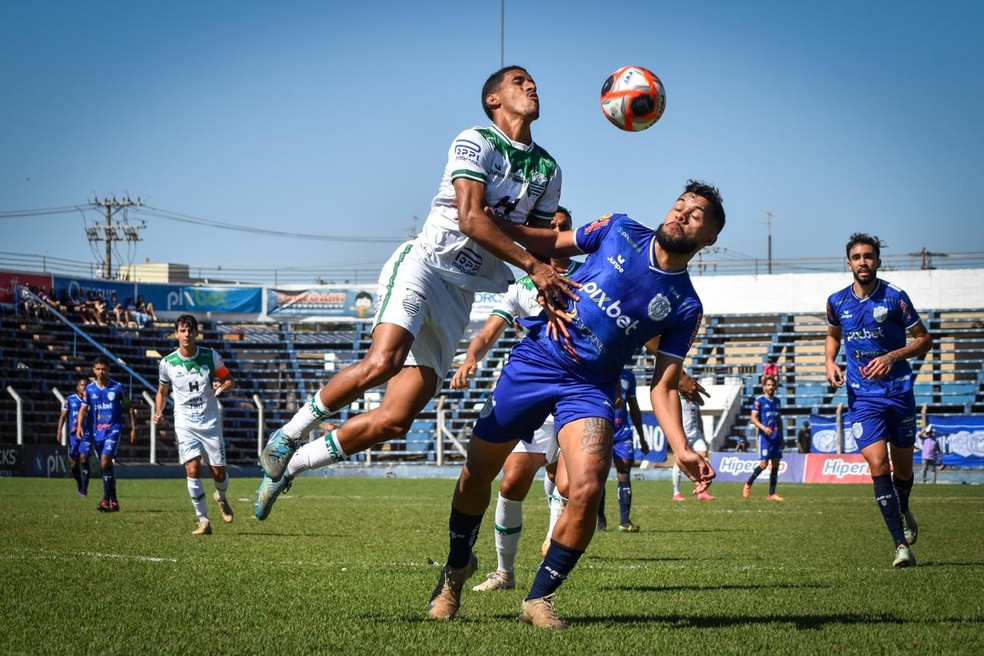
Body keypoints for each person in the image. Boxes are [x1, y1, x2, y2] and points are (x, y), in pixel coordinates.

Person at [255, 65, 576, 519]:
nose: (532, 85)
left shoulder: (549, 169)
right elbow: (470, 218)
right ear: (494, 100)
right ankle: (288, 434)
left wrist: (554, 267)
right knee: (383, 361)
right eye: (518, 81)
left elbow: (538, 239)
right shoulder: (475, 141)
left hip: (460, 292)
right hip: (424, 264)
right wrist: (532, 267)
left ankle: (291, 467)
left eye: (533, 81)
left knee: (396, 420)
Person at [427, 179, 725, 629]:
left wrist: (681, 447)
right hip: (538, 359)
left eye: (696, 214)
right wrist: (497, 223)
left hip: (591, 387)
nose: (682, 213)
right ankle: (455, 571)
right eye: (680, 204)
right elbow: (551, 240)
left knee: (585, 489)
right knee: (477, 473)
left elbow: (664, 384)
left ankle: (539, 598)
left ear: (709, 238)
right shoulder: (620, 229)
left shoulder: (685, 305)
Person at [449, 207, 579, 592]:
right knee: (511, 484)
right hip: (535, 394)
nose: (556, 231)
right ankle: (504, 573)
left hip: (575, 392)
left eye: (563, 226)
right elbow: (491, 330)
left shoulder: (590, 277)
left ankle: (554, 540)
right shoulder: (522, 285)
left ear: (570, 232)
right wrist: (472, 355)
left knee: (569, 485)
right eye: (550, 226)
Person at [825, 232, 933, 568]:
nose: (863, 262)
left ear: (877, 261)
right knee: (878, 465)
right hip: (862, 397)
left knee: (902, 469)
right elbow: (832, 335)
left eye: (868, 256)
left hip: (898, 392)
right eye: (857, 257)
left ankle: (903, 508)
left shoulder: (895, 298)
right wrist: (830, 361)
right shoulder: (836, 301)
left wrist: (892, 356)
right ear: (849, 263)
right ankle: (901, 546)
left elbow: (924, 340)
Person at [155, 314, 235, 535]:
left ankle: (220, 495)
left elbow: (228, 379)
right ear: (176, 333)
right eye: (182, 330)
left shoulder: (210, 356)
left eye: (190, 330)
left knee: (219, 474)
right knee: (192, 468)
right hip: (185, 423)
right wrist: (159, 410)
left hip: (209, 423)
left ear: (196, 333)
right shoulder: (167, 363)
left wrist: (222, 387)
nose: (186, 334)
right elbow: (162, 391)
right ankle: (203, 521)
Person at [76, 356, 137, 512]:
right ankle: (114, 501)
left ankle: (104, 500)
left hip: (113, 430)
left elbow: (129, 406)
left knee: (104, 462)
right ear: (94, 370)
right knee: (106, 467)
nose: (101, 372)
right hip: (97, 432)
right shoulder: (89, 389)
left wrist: (133, 427)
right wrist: (78, 426)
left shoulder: (118, 387)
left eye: (103, 369)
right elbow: (83, 409)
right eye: (98, 369)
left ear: (108, 369)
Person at [598, 366, 650, 532]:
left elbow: (633, 406)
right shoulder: (599, 369)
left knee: (624, 471)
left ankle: (624, 521)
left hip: (623, 433)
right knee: (598, 474)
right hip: (601, 430)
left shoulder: (628, 377)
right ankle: (600, 521)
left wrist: (641, 436)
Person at [743, 375, 784, 501]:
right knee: (763, 464)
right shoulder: (759, 401)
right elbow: (753, 419)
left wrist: (782, 436)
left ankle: (771, 494)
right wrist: (764, 428)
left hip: (776, 437)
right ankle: (748, 483)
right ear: (764, 387)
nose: (771, 387)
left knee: (776, 463)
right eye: (768, 385)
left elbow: (779, 419)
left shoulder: (777, 401)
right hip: (765, 437)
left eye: (772, 385)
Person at [672, 392, 714, 501]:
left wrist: (702, 433)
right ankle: (676, 493)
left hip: (695, 434)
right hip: (682, 435)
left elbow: (698, 417)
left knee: (703, 455)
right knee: (679, 463)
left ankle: (702, 491)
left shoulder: (695, 401)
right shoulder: (678, 400)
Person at [56, 378, 93, 497]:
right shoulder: (70, 400)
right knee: (73, 464)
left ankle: (84, 490)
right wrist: (59, 431)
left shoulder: (92, 399)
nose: (84, 387)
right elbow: (63, 416)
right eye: (82, 385)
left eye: (86, 385)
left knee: (84, 458)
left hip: (87, 434)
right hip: (73, 435)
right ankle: (80, 484)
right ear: (77, 387)